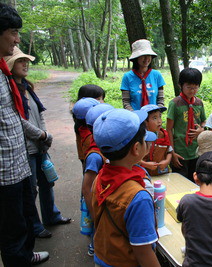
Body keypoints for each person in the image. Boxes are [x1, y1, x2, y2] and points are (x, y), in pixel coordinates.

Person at [5, 46, 71, 239]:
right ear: (10, 65)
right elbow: (19, 120)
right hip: (25, 148)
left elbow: (39, 113)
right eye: (20, 61)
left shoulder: (27, 87)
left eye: (26, 60)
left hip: (40, 145)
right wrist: (41, 135)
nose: (25, 64)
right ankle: (34, 226)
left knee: (47, 181)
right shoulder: (9, 91)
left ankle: (51, 215)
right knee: (30, 189)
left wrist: (44, 133)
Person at [0, 3, 49, 265]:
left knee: (24, 217)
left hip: (18, 163)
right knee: (11, 227)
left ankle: (24, 255)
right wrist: (40, 135)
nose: (17, 39)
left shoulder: (3, 73)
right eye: (12, 32)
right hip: (4, 170)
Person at [91, 108, 160, 267]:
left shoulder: (100, 177)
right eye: (144, 138)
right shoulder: (138, 197)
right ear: (136, 149)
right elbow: (143, 252)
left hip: (103, 257)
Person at [83, 103, 114, 256]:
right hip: (98, 205)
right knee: (98, 231)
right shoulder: (95, 156)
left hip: (104, 200)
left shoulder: (105, 148)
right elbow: (87, 189)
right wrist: (95, 214)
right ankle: (95, 248)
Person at [166, 68, 206, 181]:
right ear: (180, 85)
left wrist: (201, 129)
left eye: (195, 87)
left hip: (196, 151)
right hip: (180, 152)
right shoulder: (174, 104)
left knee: (194, 182)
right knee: (180, 182)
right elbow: (169, 129)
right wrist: (172, 152)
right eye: (189, 87)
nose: (192, 91)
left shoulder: (199, 103)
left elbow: (204, 121)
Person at [121, 39, 166, 111]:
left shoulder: (157, 75)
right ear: (136, 58)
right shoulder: (127, 77)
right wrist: (135, 115)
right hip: (135, 117)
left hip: (153, 117)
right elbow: (126, 102)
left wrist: (156, 114)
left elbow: (160, 99)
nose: (146, 59)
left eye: (148, 55)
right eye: (143, 56)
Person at [73, 85, 105, 169]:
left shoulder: (80, 121)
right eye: (98, 99)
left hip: (86, 158)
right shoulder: (90, 133)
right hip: (93, 161)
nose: (102, 102)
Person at [140, 104, 173, 176]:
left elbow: (169, 151)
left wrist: (167, 161)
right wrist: (145, 164)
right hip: (144, 174)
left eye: (160, 117)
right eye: (155, 118)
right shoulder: (140, 137)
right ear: (145, 122)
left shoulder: (163, 135)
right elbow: (134, 158)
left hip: (161, 173)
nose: (159, 121)